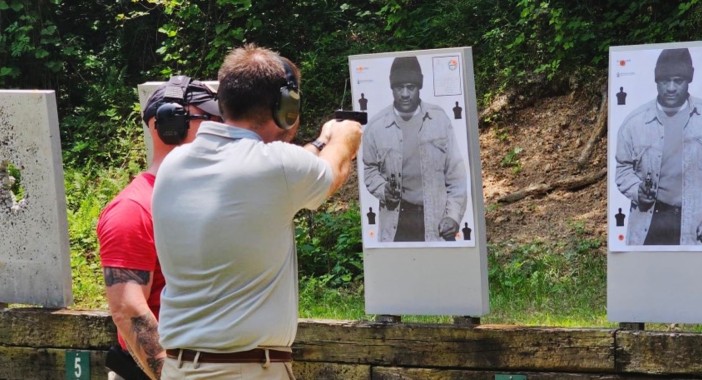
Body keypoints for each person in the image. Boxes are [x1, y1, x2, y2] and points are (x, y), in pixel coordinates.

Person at [151, 44, 362, 379]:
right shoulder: (276, 167)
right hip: (247, 370)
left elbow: (276, 168)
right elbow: (332, 173)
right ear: (285, 109)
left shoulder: (175, 163)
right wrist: (344, 137)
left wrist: (320, 143)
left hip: (180, 368)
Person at [97, 76, 222, 379]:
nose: (221, 130)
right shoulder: (133, 209)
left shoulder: (207, 199)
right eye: (210, 120)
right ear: (169, 125)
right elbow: (128, 310)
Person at [615, 48, 702, 246]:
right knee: (648, 276)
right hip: (649, 222)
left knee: (694, 277)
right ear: (656, 81)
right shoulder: (634, 123)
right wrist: (637, 191)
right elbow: (623, 169)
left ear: (689, 80)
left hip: (695, 224)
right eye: (664, 81)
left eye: (678, 80)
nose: (671, 87)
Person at [362, 55, 467, 242]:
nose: (404, 94)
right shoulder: (376, 127)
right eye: (399, 87)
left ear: (419, 87)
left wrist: (453, 216)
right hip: (396, 223)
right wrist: (382, 189)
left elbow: (456, 175)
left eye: (410, 87)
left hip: (435, 221)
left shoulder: (439, 120)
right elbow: (369, 170)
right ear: (391, 88)